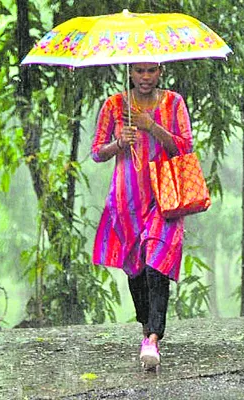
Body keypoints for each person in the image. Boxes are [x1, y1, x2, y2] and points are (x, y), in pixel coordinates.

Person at [91, 62, 193, 371]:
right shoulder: (114, 105)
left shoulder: (174, 102)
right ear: (131, 73)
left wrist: (152, 126)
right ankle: (145, 327)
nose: (145, 78)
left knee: (156, 263)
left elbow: (185, 147)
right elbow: (97, 152)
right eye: (138, 71)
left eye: (150, 71)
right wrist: (119, 142)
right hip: (126, 201)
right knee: (135, 269)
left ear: (160, 71)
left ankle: (152, 337)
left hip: (165, 198)